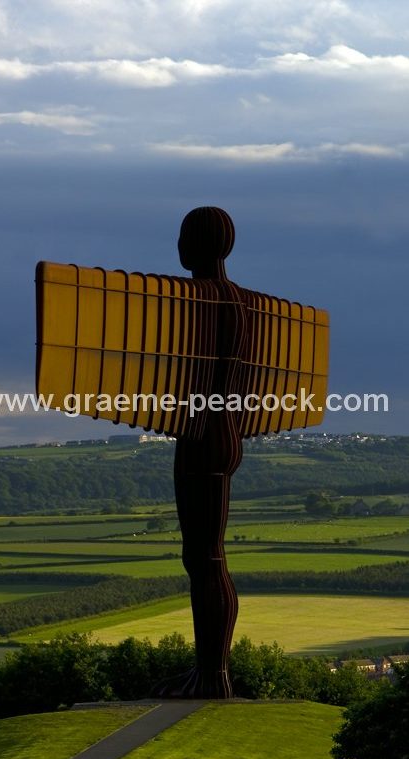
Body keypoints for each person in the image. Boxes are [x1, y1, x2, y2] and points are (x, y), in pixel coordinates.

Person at [154, 207, 249, 699]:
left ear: (201, 243)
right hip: (226, 429)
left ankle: (214, 675)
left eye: (185, 235)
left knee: (205, 557)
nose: (179, 245)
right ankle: (212, 670)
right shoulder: (243, 301)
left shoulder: (199, 298)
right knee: (209, 556)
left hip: (201, 435)